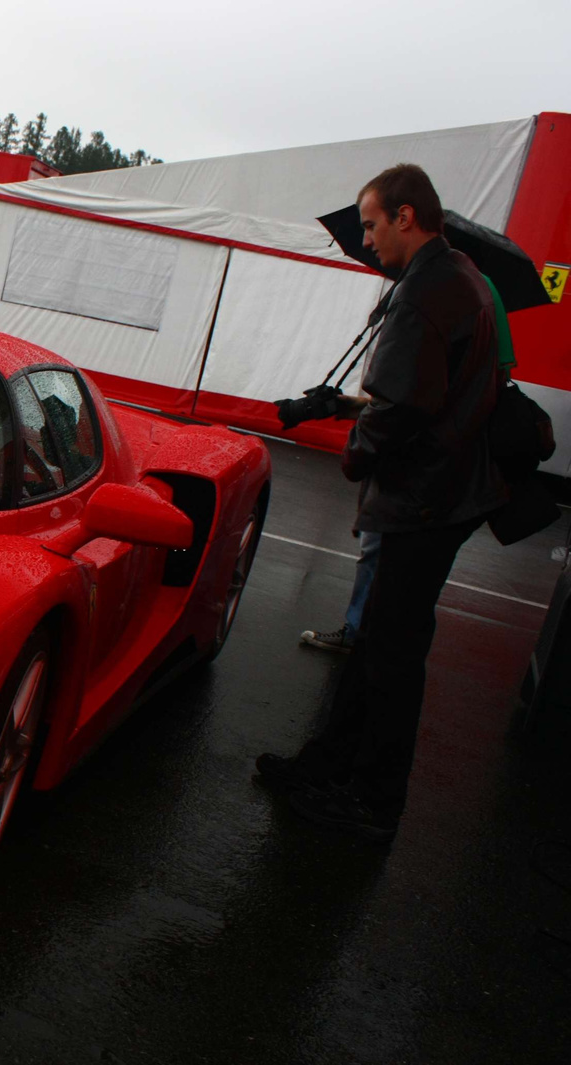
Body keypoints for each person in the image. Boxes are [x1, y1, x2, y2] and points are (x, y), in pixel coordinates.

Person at [257, 163, 507, 841]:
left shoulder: (428, 293)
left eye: (370, 224)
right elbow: (425, 394)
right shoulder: (454, 279)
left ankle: (373, 800)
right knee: (376, 646)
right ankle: (330, 763)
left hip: (426, 501)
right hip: (442, 496)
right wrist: (338, 403)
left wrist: (354, 451)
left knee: (392, 656)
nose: (365, 239)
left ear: (405, 216)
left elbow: (401, 410)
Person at [299, 275, 515, 655]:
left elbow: (422, 404)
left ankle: (363, 638)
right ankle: (369, 638)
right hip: (446, 479)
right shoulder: (477, 297)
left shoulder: (449, 296)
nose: (369, 242)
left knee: (386, 559)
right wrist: (355, 406)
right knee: (394, 571)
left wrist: (361, 447)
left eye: (373, 228)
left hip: (428, 478)